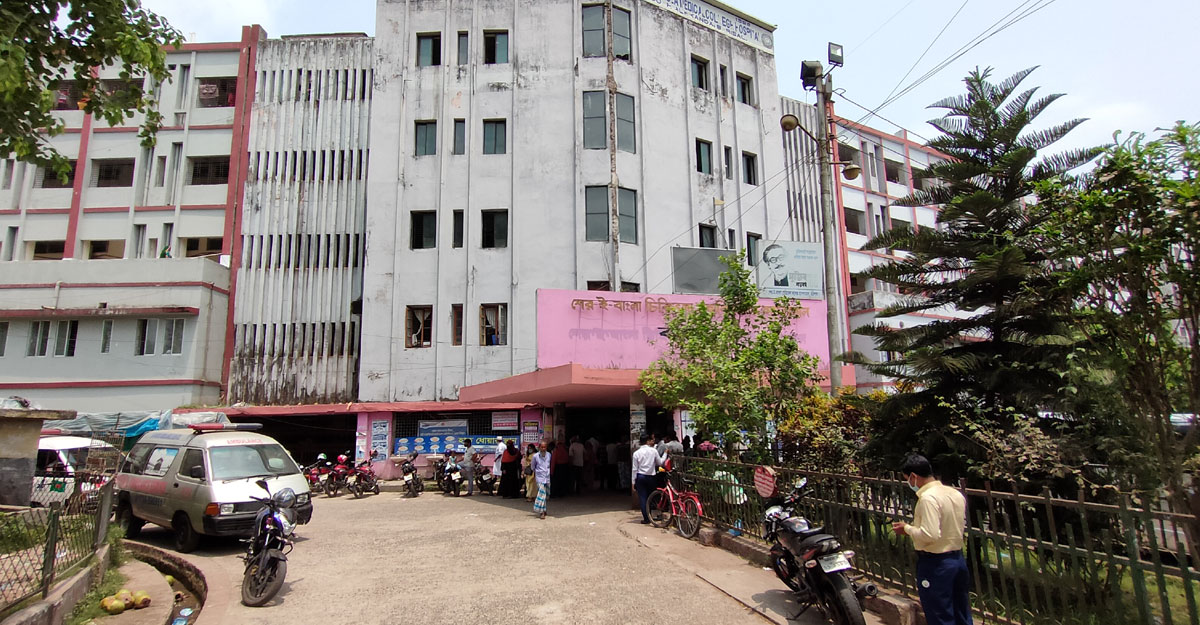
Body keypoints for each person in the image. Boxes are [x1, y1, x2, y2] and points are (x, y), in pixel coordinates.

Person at [891, 454, 972, 625]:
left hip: (936, 563)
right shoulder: (954, 493)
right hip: (957, 559)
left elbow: (930, 534)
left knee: (939, 614)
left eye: (907, 479)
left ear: (913, 476)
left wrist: (907, 528)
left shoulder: (928, 498)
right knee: (961, 612)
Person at [631, 434, 664, 524]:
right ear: (647, 441)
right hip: (651, 476)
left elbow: (634, 469)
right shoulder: (653, 451)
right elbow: (660, 462)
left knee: (643, 498)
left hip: (640, 476)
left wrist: (633, 482)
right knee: (652, 496)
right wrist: (665, 454)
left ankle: (646, 518)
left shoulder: (636, 453)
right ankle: (654, 515)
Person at [530, 441, 552, 519]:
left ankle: (544, 509)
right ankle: (541, 512)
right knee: (541, 494)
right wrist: (536, 472)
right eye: (542, 447)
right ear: (539, 447)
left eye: (544, 447)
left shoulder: (549, 455)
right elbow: (532, 466)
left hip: (547, 477)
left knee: (544, 495)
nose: (543, 449)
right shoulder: (535, 456)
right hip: (540, 477)